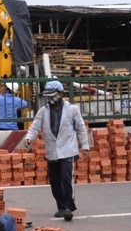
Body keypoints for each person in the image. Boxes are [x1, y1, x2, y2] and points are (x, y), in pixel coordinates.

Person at [24, 80, 90, 222]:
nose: (51, 98)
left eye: (53, 95)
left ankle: (68, 207)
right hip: (52, 151)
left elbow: (80, 128)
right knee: (54, 181)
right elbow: (35, 127)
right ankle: (60, 206)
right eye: (48, 96)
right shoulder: (43, 111)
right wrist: (29, 138)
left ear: (61, 94)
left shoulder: (72, 110)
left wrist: (85, 146)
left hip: (68, 150)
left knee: (66, 178)